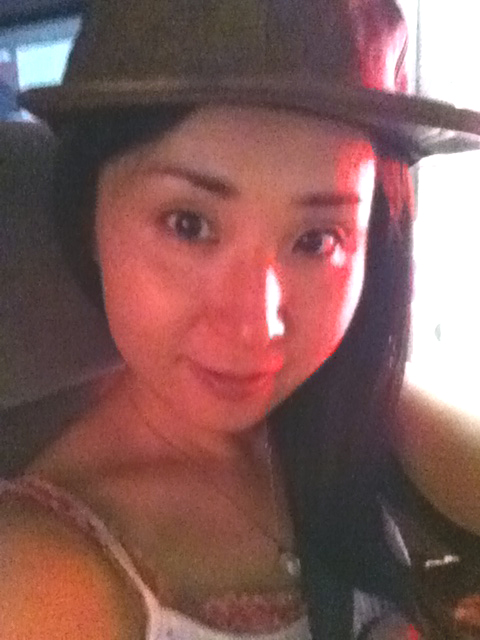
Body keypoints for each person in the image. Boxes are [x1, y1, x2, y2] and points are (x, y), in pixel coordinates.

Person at [1, 0, 480, 638]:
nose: (258, 326)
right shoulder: (40, 575)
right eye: (188, 224)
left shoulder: (356, 410)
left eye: (318, 240)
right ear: (89, 219)